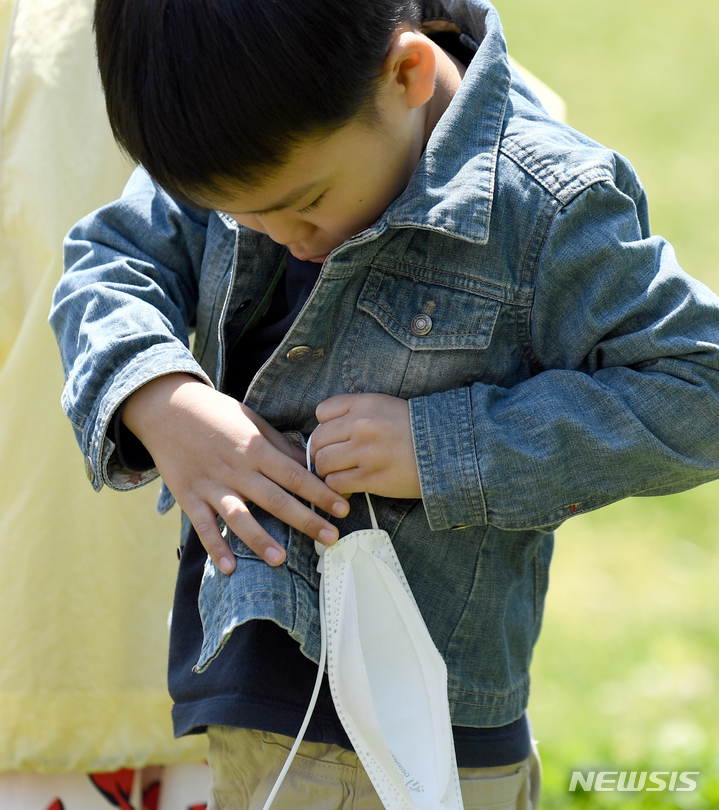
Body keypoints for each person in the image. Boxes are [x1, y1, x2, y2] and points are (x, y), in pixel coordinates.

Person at [49, 0, 719, 807]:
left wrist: (444, 447)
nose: (280, 235)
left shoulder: (543, 202)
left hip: (415, 733)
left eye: (305, 202)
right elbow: (111, 258)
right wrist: (159, 397)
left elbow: (698, 385)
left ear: (406, 74)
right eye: (237, 215)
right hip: (251, 699)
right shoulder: (241, 121)